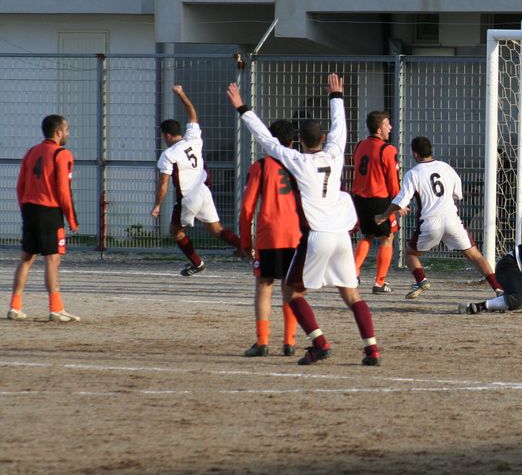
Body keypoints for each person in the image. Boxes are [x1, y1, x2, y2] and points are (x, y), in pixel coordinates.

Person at [228, 74, 381, 366]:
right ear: (323, 139)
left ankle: (319, 343)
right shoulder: (334, 154)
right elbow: (340, 128)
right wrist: (336, 97)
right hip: (341, 235)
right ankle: (372, 350)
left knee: (292, 292)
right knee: (352, 295)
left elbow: (266, 140)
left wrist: (242, 109)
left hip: (317, 235)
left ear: (299, 141)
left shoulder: (298, 161)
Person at [373, 136, 504, 300]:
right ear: (430, 150)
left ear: (415, 154)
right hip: (452, 220)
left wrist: (383, 215)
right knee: (475, 255)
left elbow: (401, 201)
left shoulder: (413, 173)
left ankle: (422, 280)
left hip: (429, 223)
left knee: (410, 254)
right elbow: (458, 194)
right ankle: (498, 288)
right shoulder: (446, 167)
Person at [152, 85, 242, 276]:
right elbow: (192, 114)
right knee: (217, 229)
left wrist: (157, 205)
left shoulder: (168, 155)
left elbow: (163, 183)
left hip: (188, 197)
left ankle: (197, 263)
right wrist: (181, 93)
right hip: (203, 191)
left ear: (167, 135)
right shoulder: (193, 139)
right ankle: (248, 249)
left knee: (176, 231)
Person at [7, 114, 80, 323]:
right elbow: (63, 191)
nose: (68, 133)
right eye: (66, 130)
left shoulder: (31, 152)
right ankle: (56, 309)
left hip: (29, 208)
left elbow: (20, 185)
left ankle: (15, 306)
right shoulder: (62, 154)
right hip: (49, 211)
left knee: (26, 258)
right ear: (58, 132)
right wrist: (71, 219)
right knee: (52, 259)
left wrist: (25, 208)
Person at [238, 119, 302, 357]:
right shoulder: (300, 163)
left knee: (264, 286)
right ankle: (289, 342)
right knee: (291, 288)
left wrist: (245, 241)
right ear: (292, 142)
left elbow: (247, 208)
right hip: (297, 235)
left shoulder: (261, 166)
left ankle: (262, 342)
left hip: (269, 235)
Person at [351, 110, 401, 294]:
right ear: (379, 130)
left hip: (360, 199)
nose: (391, 127)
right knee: (387, 238)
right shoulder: (388, 150)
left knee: (367, 235)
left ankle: (353, 274)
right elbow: (393, 180)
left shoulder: (359, 145)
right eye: (387, 124)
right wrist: (399, 202)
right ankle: (379, 283)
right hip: (380, 200)